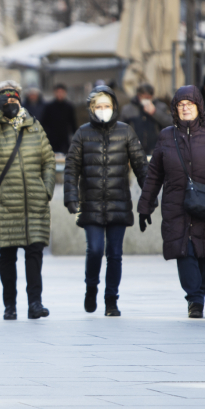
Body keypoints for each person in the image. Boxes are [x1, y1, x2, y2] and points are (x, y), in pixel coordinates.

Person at [136, 85, 205, 319]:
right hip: (177, 206)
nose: (185, 108)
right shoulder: (166, 136)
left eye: (189, 104)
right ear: (175, 109)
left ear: (198, 107)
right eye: (180, 105)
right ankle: (194, 298)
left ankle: (199, 295)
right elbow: (154, 175)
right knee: (185, 251)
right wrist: (145, 206)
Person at [0, 80, 55, 320]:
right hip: (4, 203)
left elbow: (48, 161)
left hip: (33, 202)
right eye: (3, 99)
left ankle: (35, 303)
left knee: (34, 253)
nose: (10, 102)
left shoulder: (33, 126)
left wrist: (46, 189)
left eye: (13, 98)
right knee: (7, 255)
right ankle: (10, 305)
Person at [64, 86, 148, 317]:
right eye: (99, 106)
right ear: (92, 109)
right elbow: (71, 168)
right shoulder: (82, 133)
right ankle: (91, 287)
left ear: (114, 108)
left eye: (107, 106)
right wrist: (71, 196)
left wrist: (148, 198)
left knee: (114, 253)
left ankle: (111, 299)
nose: (103, 110)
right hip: (91, 202)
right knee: (94, 250)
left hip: (118, 201)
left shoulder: (126, 132)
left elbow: (142, 166)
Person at [121, 83, 173, 155]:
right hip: (135, 150)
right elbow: (122, 130)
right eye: (144, 97)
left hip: (156, 149)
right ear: (138, 95)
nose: (146, 100)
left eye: (148, 97)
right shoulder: (128, 109)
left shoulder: (160, 106)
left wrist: (155, 112)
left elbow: (170, 123)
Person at [39, 84, 78, 154]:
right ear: (54, 93)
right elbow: (43, 123)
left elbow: (73, 123)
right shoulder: (49, 107)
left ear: (65, 93)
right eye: (58, 92)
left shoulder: (69, 107)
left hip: (64, 139)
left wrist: (76, 137)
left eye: (62, 92)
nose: (60, 94)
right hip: (51, 139)